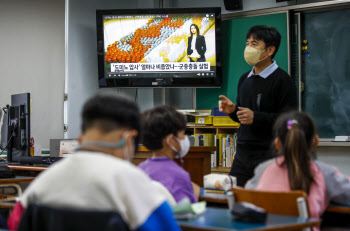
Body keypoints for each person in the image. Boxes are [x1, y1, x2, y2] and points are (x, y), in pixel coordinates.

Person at [7, 93, 180, 231]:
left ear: (81, 138)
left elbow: (14, 225)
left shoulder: (43, 183)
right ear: (130, 138)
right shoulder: (133, 182)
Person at [218, 25, 297, 186]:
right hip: (242, 154)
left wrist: (256, 117)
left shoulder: (282, 80)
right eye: (247, 43)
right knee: (233, 199)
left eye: (254, 44)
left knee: (265, 203)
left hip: (270, 155)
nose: (248, 48)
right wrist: (233, 111)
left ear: (269, 50)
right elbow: (244, 118)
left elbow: (290, 122)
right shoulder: (244, 79)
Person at [245, 111, 350, 220]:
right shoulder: (324, 173)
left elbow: (248, 197)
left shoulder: (263, 169)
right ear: (315, 141)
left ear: (277, 144)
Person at [138, 105, 199, 204]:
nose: (184, 139)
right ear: (170, 140)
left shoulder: (140, 169)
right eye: (182, 135)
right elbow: (186, 211)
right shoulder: (179, 176)